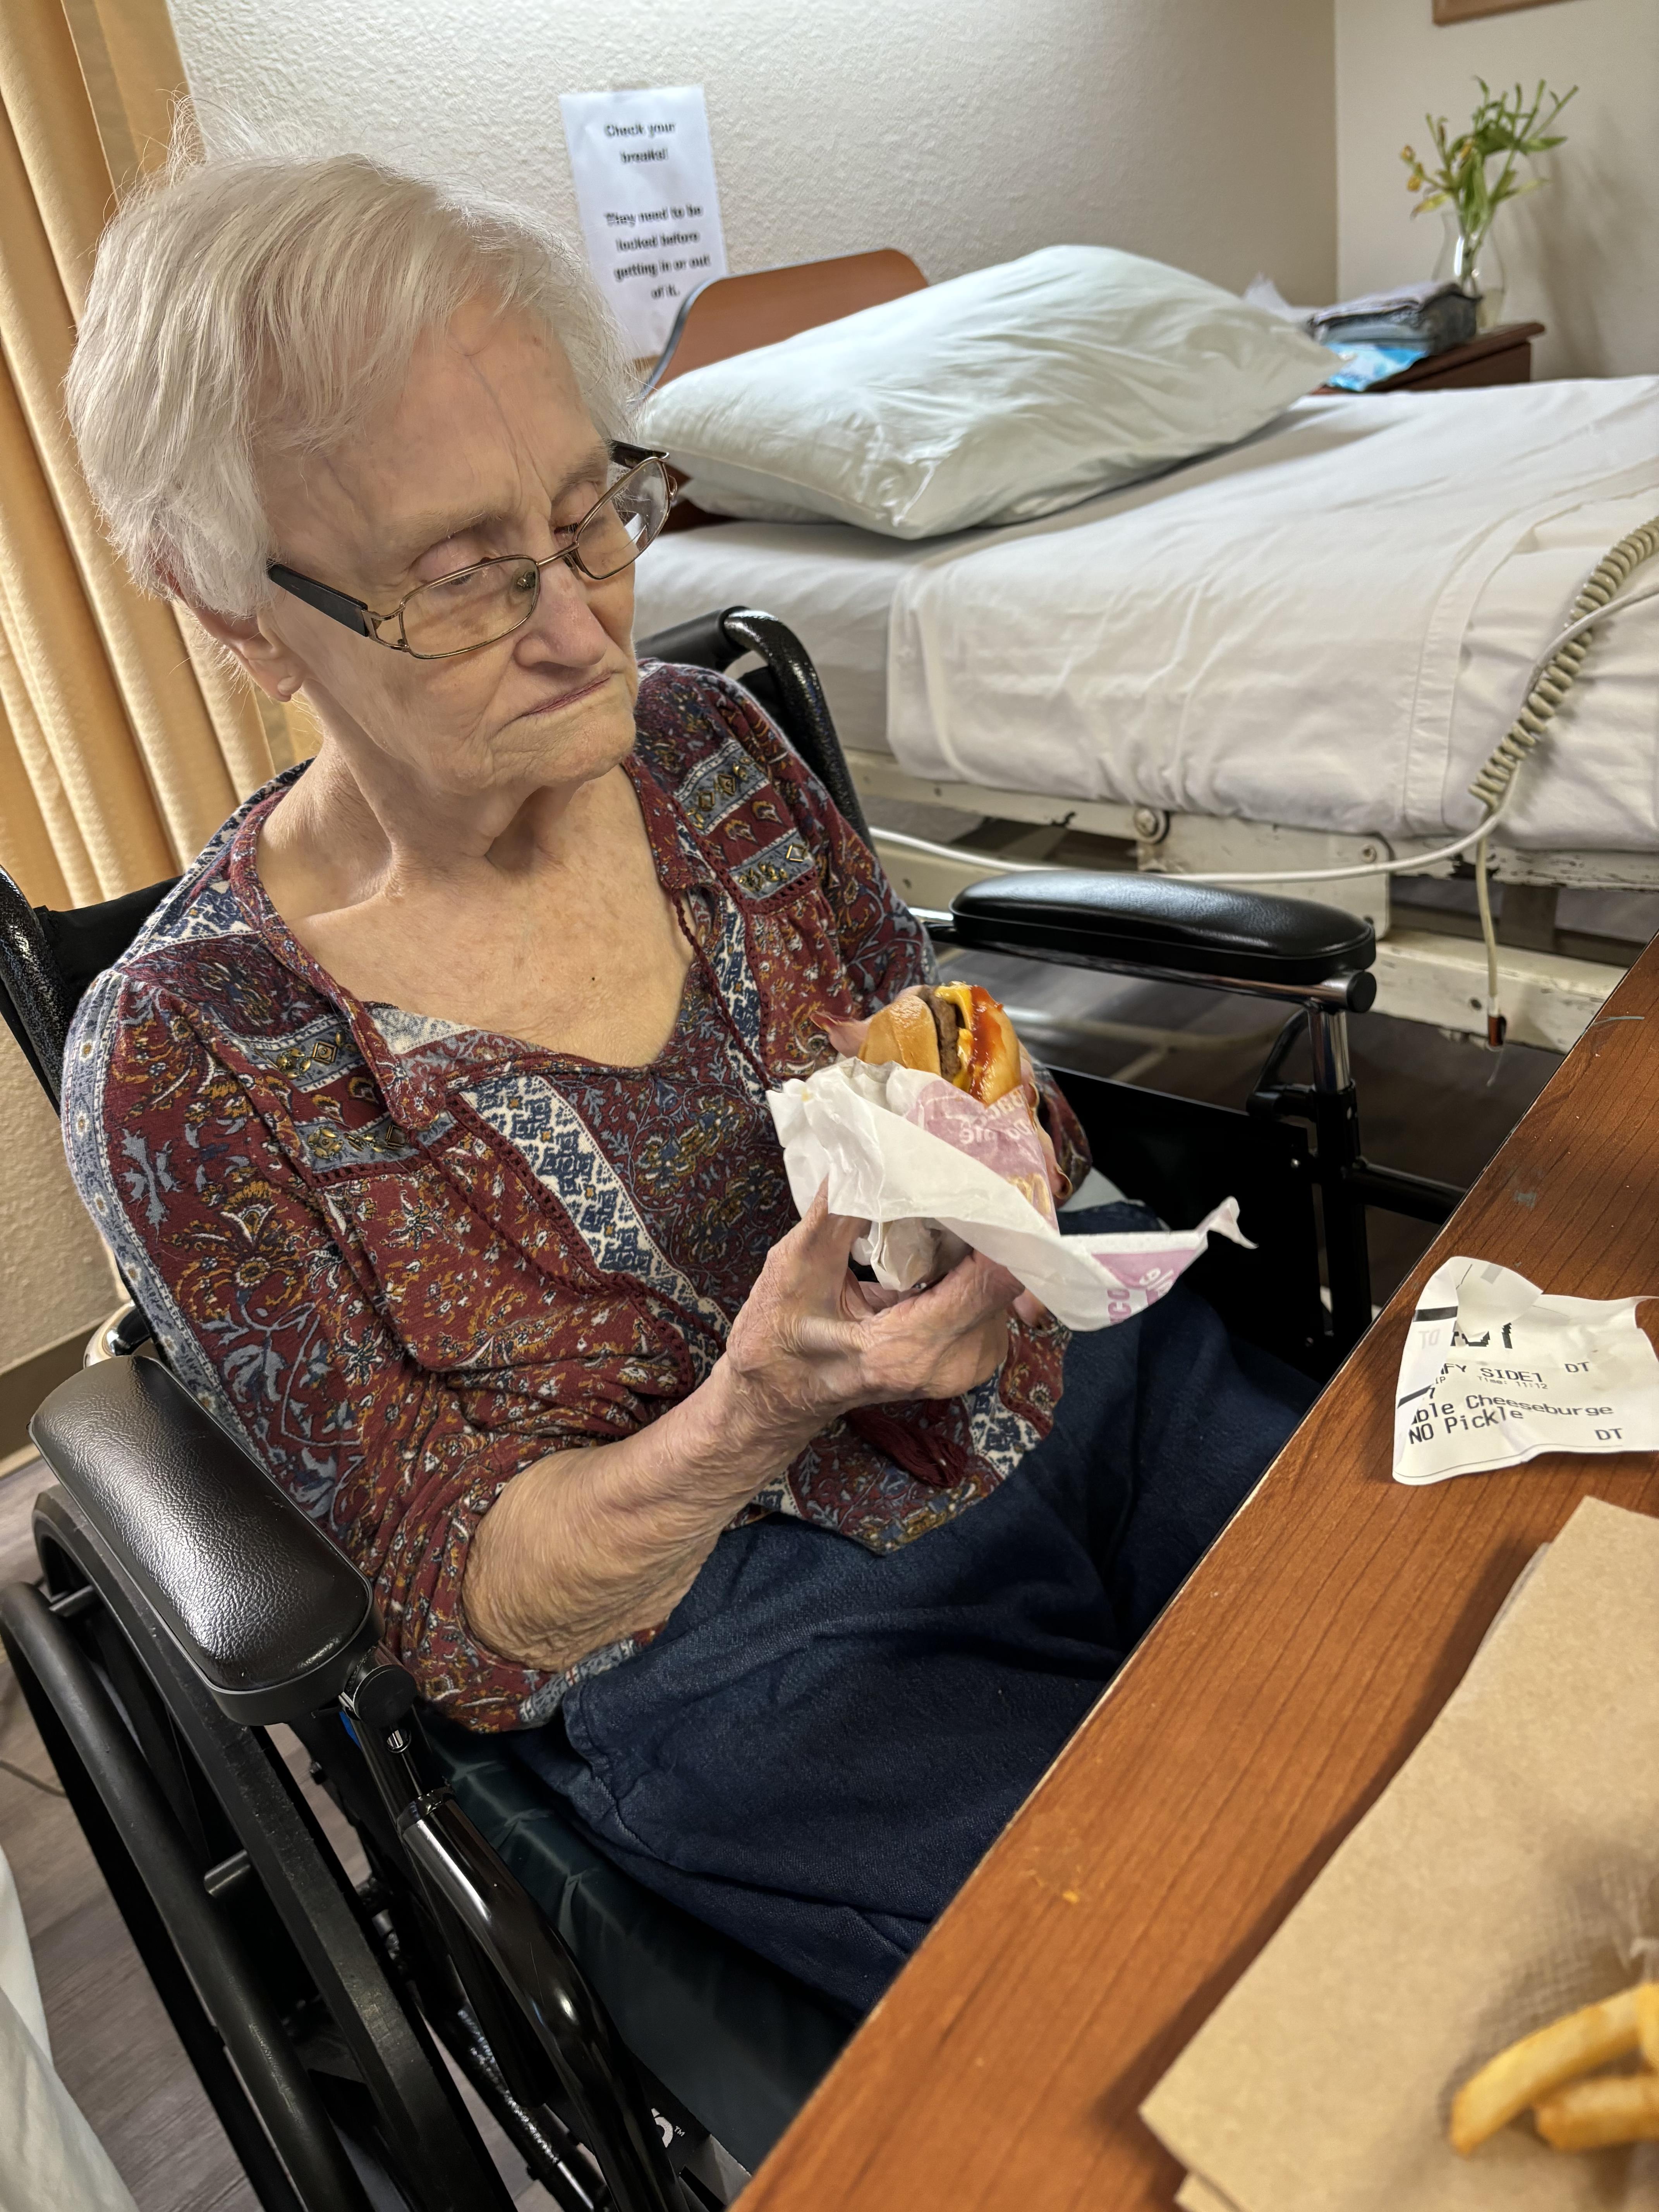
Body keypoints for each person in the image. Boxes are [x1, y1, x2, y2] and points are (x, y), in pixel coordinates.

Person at [61, 147, 1310, 2016]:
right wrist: (748, 1413)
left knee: (1461, 1642)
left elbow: (941, 1058)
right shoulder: (198, 1060)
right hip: (753, 1627)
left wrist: (1002, 1173)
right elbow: (455, 1606)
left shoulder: (712, 751)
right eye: (468, 578)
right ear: (235, 608)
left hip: (1084, 1381)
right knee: (1228, 1970)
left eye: (595, 516)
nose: (584, 625)